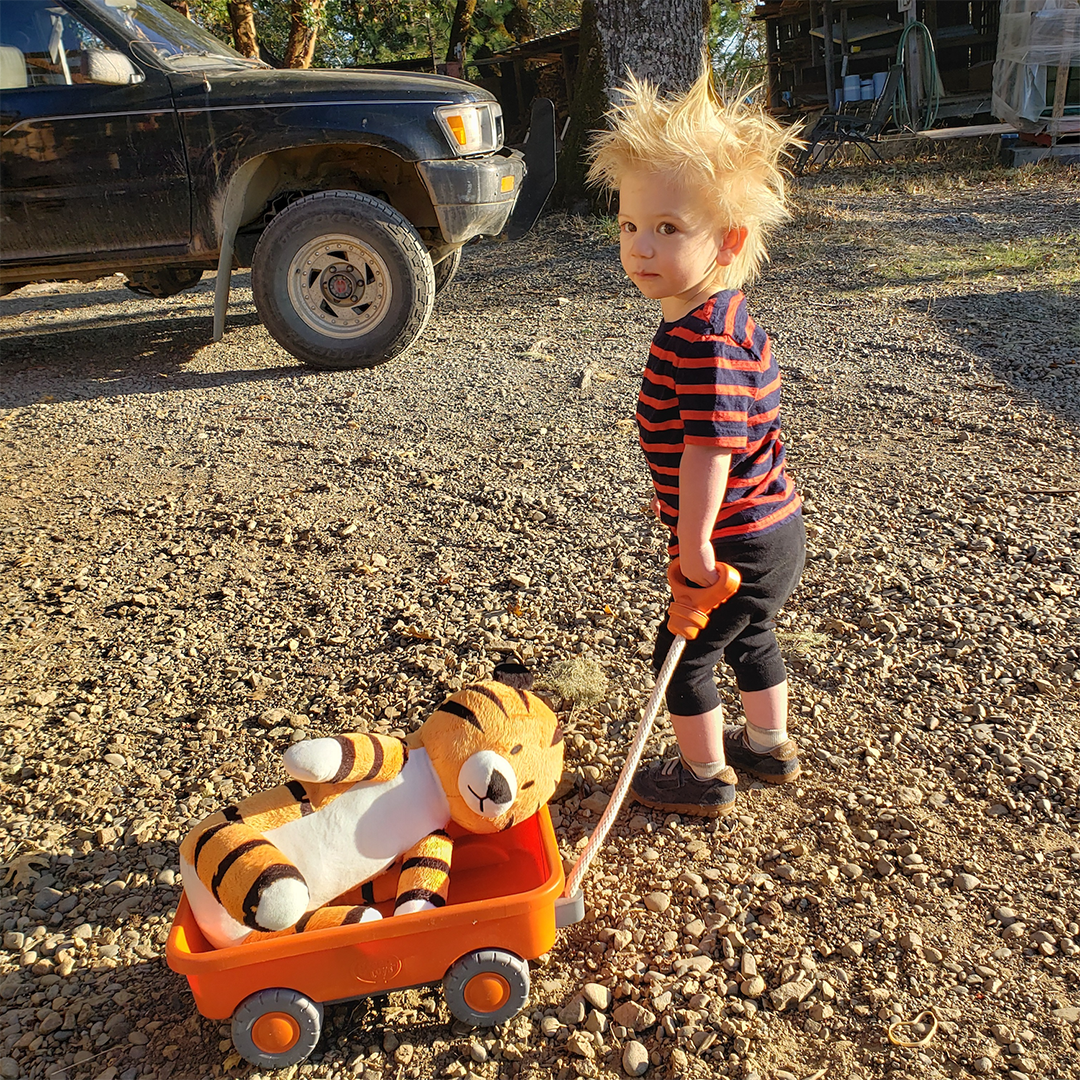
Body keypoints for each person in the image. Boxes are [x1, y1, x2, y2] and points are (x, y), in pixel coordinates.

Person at [587, 70, 806, 817]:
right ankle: (770, 748)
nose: (641, 247)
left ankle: (705, 775)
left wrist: (694, 549)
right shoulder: (715, 318)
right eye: (629, 226)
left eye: (669, 229)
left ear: (730, 239)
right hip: (774, 528)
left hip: (732, 538)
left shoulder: (707, 342)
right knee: (755, 638)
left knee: (684, 659)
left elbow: (709, 450)